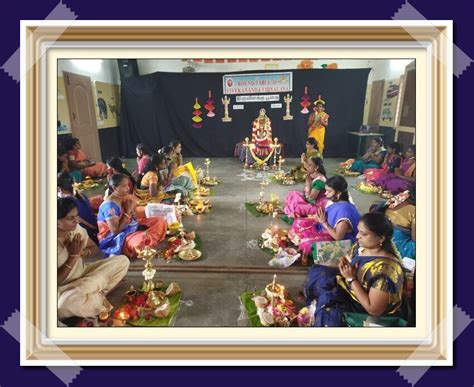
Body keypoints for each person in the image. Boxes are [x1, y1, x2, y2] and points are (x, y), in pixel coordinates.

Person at [304, 212, 405, 326]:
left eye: (363, 234)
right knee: (320, 272)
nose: (357, 236)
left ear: (381, 238)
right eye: (358, 231)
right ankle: (314, 305)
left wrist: (352, 279)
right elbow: (349, 257)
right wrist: (344, 263)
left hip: (364, 311)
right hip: (351, 288)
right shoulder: (362, 246)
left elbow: (374, 310)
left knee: (329, 312)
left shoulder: (386, 270)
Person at [57, 197, 130, 320]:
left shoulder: (76, 230)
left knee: (122, 261)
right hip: (63, 290)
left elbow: (94, 247)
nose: (76, 221)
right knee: (64, 306)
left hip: (85, 275)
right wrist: (73, 257)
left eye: (76, 216)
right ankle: (102, 292)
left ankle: (96, 293)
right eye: (70, 218)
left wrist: (81, 253)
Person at [97, 173, 167, 258]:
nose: (128, 188)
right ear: (114, 188)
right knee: (139, 241)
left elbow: (134, 217)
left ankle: (146, 238)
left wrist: (134, 214)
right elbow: (115, 231)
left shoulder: (125, 197)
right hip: (116, 237)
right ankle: (143, 239)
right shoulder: (110, 206)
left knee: (160, 220)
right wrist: (127, 211)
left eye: (128, 185)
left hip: (130, 226)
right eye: (124, 186)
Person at [289, 175, 360, 255]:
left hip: (341, 242)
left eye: (329, 191)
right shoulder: (338, 202)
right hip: (327, 228)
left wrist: (324, 223)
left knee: (307, 245)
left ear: (338, 193)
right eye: (326, 191)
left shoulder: (345, 211)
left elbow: (338, 237)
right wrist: (318, 218)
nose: (326, 194)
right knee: (298, 222)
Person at [372, 189, 416, 259]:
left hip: (383, 239)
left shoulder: (397, 200)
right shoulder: (414, 210)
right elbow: (415, 239)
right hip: (398, 246)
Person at [57, 172, 99, 244]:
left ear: (59, 188)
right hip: (94, 222)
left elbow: (79, 219)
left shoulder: (67, 201)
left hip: (89, 229)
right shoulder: (81, 194)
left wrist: (92, 227)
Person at [284, 157, 328, 222]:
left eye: (310, 165)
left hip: (318, 206)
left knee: (297, 207)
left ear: (316, 168)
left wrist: (308, 183)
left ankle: (293, 211)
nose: (307, 167)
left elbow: (310, 198)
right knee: (292, 194)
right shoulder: (312, 175)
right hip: (310, 200)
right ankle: (292, 209)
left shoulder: (320, 181)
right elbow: (305, 192)